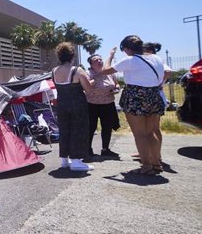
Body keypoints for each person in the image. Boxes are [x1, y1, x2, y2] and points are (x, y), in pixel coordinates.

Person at [102, 35, 165, 175]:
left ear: (128, 48)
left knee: (140, 134)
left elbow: (105, 70)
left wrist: (110, 56)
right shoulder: (157, 58)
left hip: (135, 96)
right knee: (151, 132)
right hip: (154, 96)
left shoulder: (130, 60)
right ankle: (156, 163)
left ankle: (146, 166)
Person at [52, 42, 94, 171]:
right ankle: (76, 161)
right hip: (77, 105)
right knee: (78, 130)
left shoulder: (54, 71)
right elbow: (88, 89)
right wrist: (91, 81)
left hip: (62, 104)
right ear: (72, 56)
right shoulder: (77, 70)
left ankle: (64, 160)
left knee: (65, 131)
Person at [85, 53, 120, 158]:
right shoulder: (87, 73)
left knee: (107, 127)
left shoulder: (109, 72)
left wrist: (116, 88)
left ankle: (105, 149)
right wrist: (96, 78)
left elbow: (116, 83)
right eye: (96, 60)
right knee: (91, 128)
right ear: (91, 64)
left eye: (100, 59)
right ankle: (88, 150)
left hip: (108, 104)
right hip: (92, 104)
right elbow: (85, 86)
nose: (99, 61)